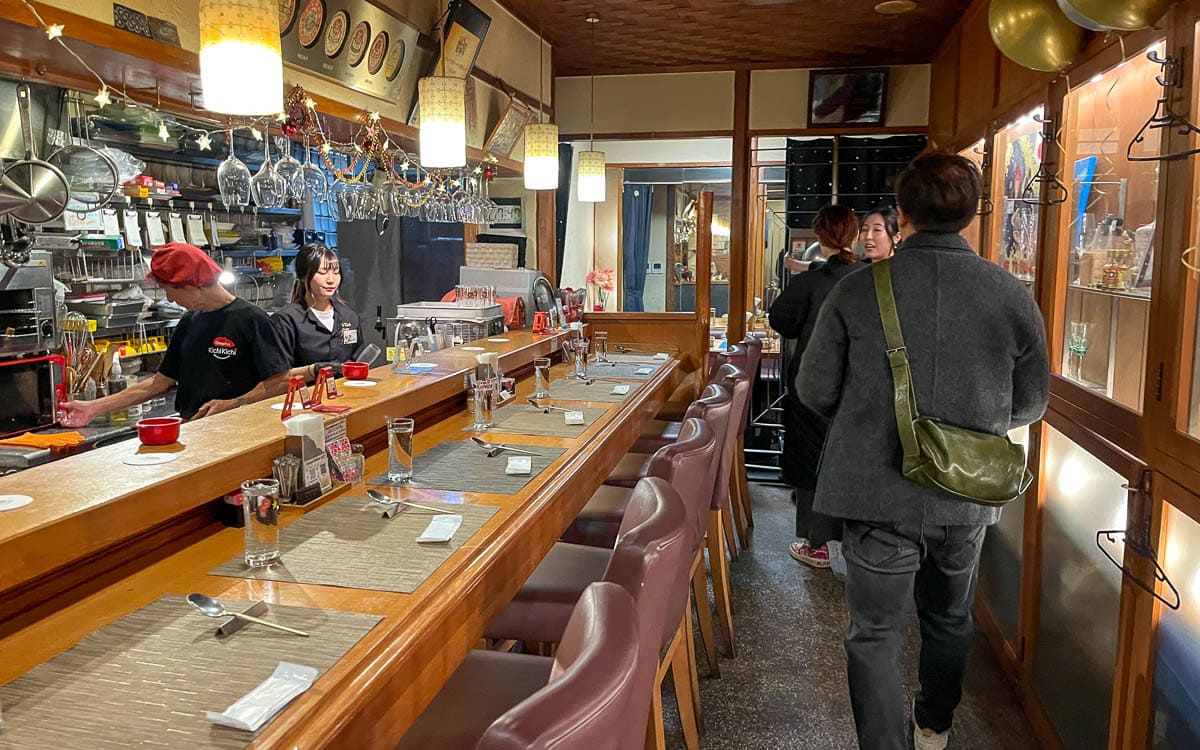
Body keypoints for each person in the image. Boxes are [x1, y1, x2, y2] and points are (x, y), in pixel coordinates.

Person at [796, 154, 1049, 750]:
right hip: (966, 493)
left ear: (901, 214)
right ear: (971, 213)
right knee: (950, 617)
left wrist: (870, 419)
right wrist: (966, 428)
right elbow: (1031, 403)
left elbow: (812, 389)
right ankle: (934, 726)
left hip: (876, 491)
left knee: (875, 633)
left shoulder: (859, 289)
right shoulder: (1011, 294)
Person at [61, 242, 291, 425]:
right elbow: (159, 383)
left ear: (192, 283)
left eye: (168, 290)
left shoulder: (253, 319)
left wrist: (234, 403)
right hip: (194, 428)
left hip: (241, 429)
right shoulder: (190, 321)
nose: (170, 299)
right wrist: (93, 407)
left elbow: (281, 381)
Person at [768, 204, 861, 569]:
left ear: (820, 237)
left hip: (812, 383)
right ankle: (856, 545)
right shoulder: (866, 278)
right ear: (854, 235)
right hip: (858, 386)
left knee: (811, 461)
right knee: (852, 460)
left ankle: (817, 546)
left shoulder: (811, 281)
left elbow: (781, 321)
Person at [271, 242, 365, 381]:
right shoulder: (285, 321)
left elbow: (358, 361)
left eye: (336, 272)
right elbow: (277, 378)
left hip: (347, 395)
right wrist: (313, 370)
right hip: (304, 399)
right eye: (322, 272)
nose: (331, 280)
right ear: (303, 276)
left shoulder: (349, 317)